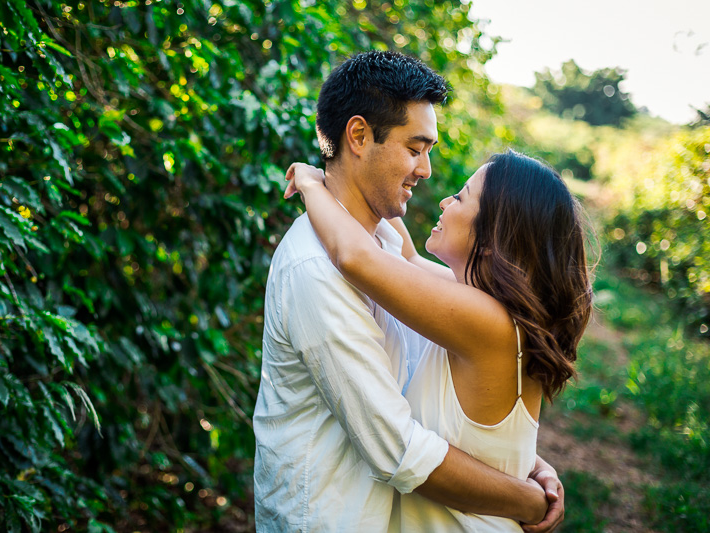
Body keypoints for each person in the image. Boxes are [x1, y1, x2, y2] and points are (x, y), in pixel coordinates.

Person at [253, 50, 565, 532]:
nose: (428, 172)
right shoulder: (316, 266)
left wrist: (521, 462)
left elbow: (429, 387)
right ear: (358, 135)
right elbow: (398, 448)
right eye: (415, 148)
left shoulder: (384, 251)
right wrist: (524, 497)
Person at [283, 149, 592, 531]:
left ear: (494, 237)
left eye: (461, 197)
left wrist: (313, 185)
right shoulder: (491, 307)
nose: (446, 200)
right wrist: (359, 174)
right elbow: (408, 259)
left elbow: (354, 256)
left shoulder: (486, 320)